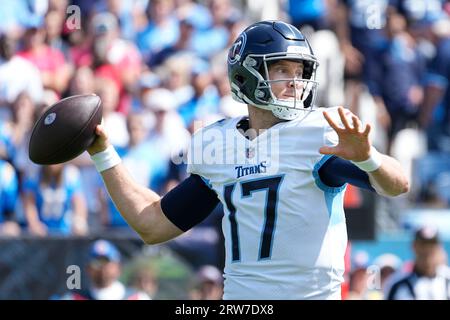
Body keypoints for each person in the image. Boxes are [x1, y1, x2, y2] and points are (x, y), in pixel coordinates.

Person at [87, 20, 409, 299]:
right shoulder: (219, 144)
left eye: (300, 71)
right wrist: (102, 151)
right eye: (282, 69)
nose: (295, 82)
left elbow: (397, 185)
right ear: (246, 75)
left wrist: (368, 158)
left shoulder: (318, 133)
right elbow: (152, 224)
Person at [61, 239, 150, 300]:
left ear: (118, 267)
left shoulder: (138, 298)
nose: (102, 268)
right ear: (88, 269)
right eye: (97, 263)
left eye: (106, 262)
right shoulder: (73, 298)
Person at [385, 226, 450, 300]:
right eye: (423, 245)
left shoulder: (447, 281)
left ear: (440, 248)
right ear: (414, 246)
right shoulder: (397, 284)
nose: (427, 250)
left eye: (431, 245)